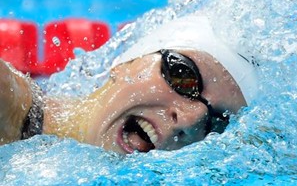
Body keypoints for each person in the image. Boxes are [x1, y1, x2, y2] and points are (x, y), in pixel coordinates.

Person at [0, 15, 258, 154]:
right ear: (127, 62)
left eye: (218, 122)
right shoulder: (7, 105)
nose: (191, 120)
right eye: (183, 76)